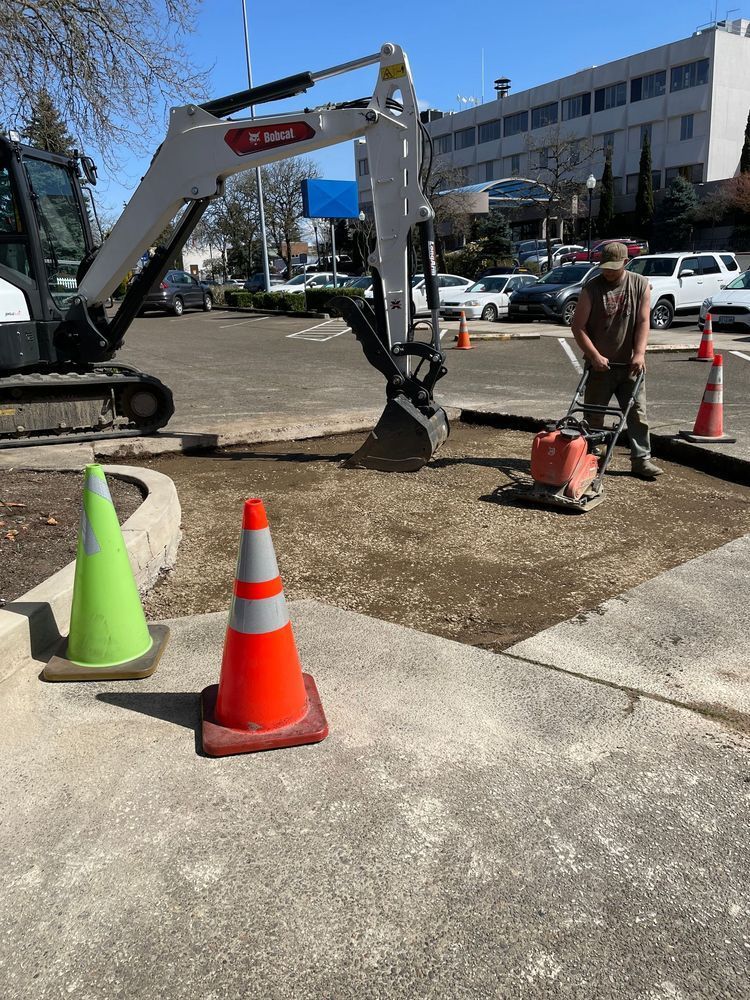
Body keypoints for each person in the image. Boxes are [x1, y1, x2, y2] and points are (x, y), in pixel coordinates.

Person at [571, 242, 663, 479]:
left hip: (630, 365)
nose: (608, 272)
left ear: (625, 262)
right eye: (605, 267)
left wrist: (639, 353)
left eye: (613, 267)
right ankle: (593, 455)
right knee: (593, 415)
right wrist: (594, 356)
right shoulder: (591, 288)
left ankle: (641, 460)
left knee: (637, 414)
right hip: (599, 365)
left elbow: (643, 321)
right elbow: (578, 326)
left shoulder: (639, 284)